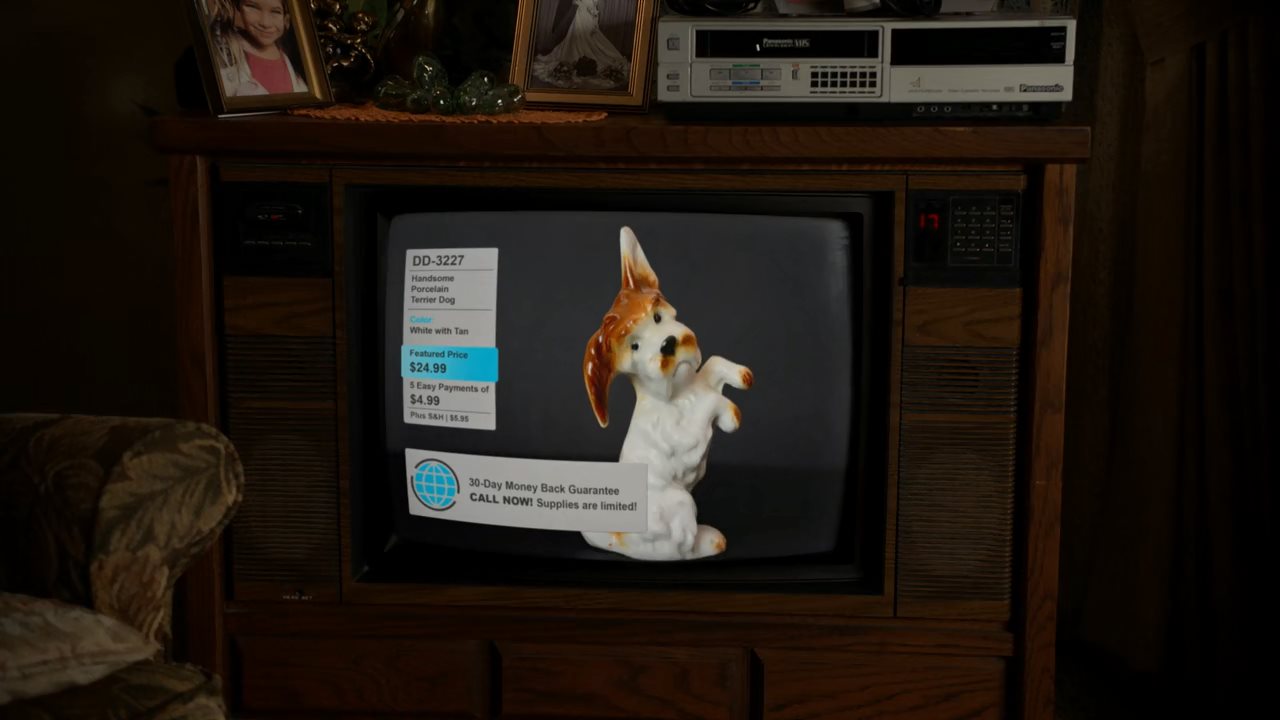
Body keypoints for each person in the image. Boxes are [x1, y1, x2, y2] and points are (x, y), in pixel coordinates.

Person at [530, 0, 630, 90]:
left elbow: (594, 5)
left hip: (587, 9)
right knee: (577, 34)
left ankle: (586, 56)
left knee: (589, 35)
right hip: (581, 9)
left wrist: (593, 13)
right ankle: (579, 56)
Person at [218, 0, 310, 96]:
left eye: (275, 12)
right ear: (238, 8)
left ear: (286, 20)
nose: (265, 23)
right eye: (253, 7)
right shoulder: (225, 51)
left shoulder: (294, 61)